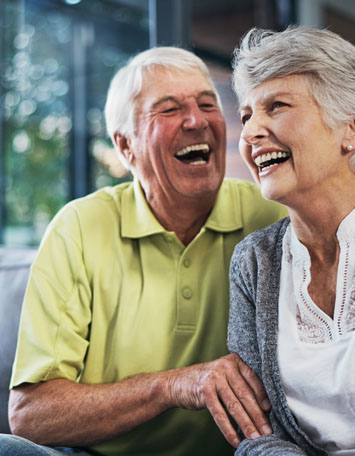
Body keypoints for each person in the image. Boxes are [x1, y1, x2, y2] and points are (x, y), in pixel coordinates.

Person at [2, 47, 287, 456]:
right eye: (169, 109)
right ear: (125, 147)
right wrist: (173, 385)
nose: (196, 120)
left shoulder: (270, 216)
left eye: (207, 104)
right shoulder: (79, 227)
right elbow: (31, 414)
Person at [228, 25, 355, 456]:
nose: (249, 133)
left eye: (276, 107)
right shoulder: (254, 262)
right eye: (246, 115)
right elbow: (257, 433)